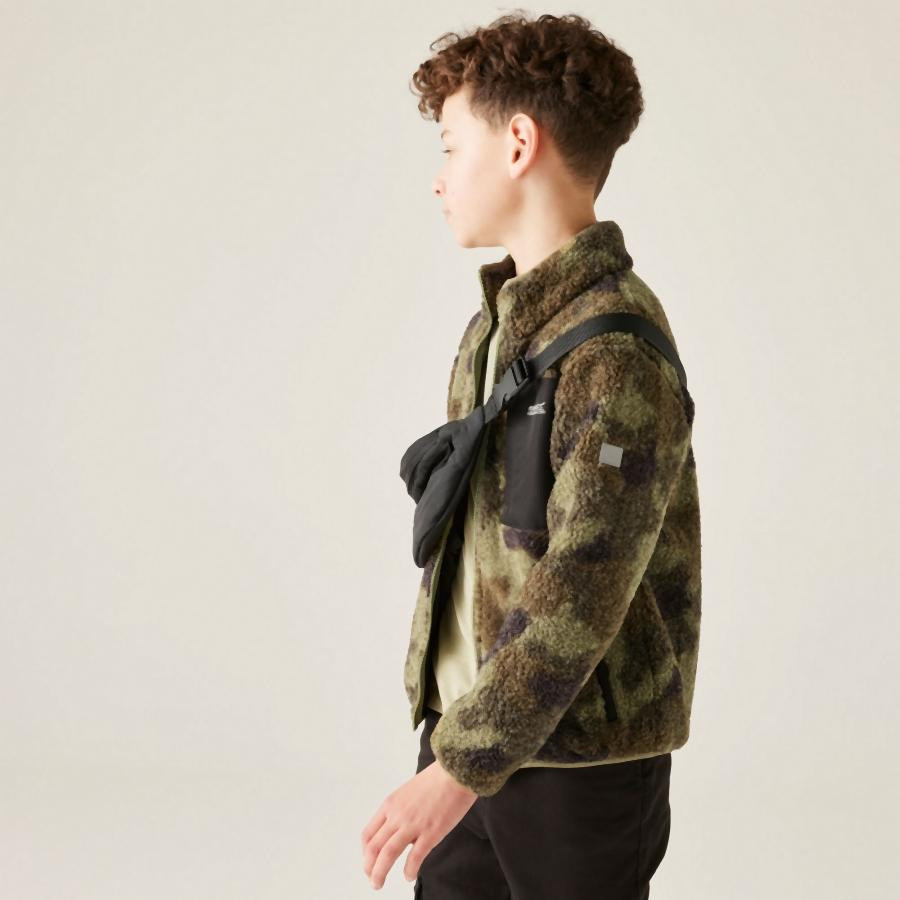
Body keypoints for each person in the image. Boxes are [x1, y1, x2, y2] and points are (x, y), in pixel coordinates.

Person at [361, 12, 702, 898]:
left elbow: (584, 587)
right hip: (473, 737)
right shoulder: (500, 326)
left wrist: (458, 766)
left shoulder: (613, 349)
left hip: (576, 770)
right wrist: (454, 745)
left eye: (451, 147)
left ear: (518, 144)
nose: (439, 178)